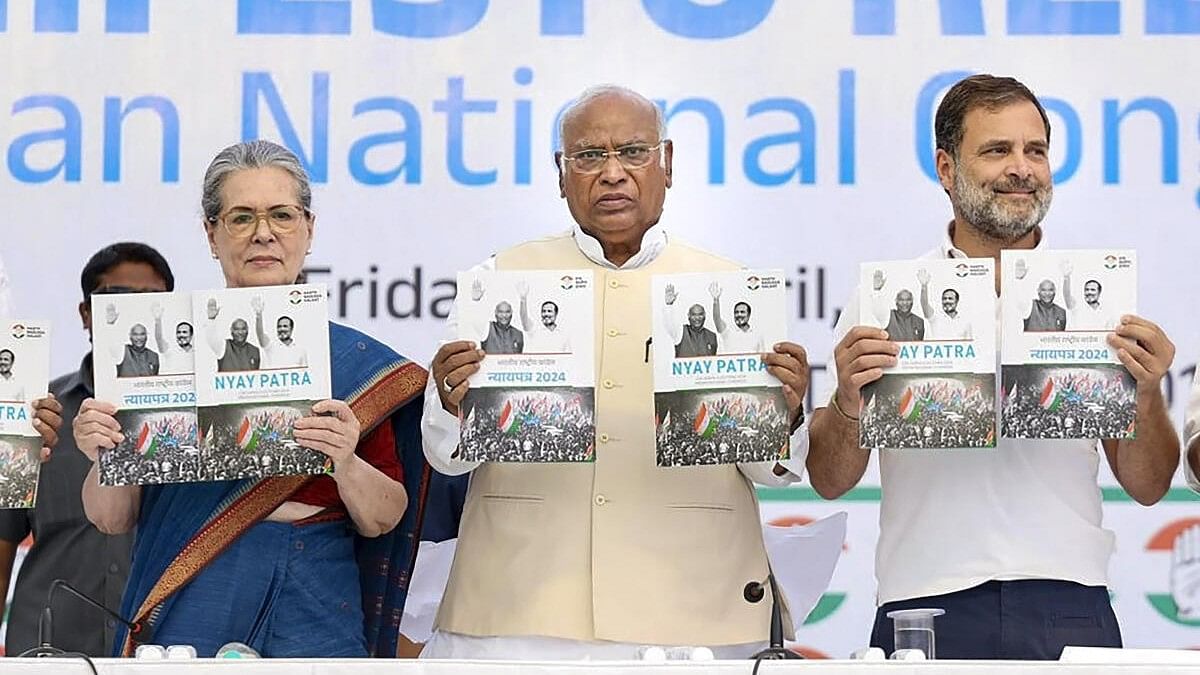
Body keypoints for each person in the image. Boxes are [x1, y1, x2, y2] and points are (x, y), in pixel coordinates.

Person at [422, 85, 811, 660]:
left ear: (667, 164)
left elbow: (774, 470)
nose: (611, 174)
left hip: (696, 612)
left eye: (632, 152)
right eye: (588, 156)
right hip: (519, 612)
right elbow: (446, 456)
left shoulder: (729, 289)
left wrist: (787, 412)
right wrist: (451, 403)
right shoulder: (497, 280)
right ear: (561, 173)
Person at [805, 74, 1178, 660]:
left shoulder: (1098, 298)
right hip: (924, 601)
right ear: (946, 169)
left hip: (1069, 597)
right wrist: (849, 404)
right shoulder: (880, 299)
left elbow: (1150, 486)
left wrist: (1147, 393)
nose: (1021, 168)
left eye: (1035, 150)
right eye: (997, 150)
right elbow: (829, 480)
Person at [73, 141, 430, 658]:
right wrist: (104, 455)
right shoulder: (165, 350)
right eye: (241, 218)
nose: (264, 233)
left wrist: (345, 461)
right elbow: (111, 517)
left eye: (281, 215)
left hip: (313, 597)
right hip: (192, 586)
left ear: (309, 228)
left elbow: (383, 518)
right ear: (211, 234)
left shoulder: (355, 363)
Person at [0, 242, 170, 656]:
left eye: (152, 303)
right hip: (46, 650)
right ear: (86, 315)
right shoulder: (38, 414)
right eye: (118, 302)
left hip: (163, 653)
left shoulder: (194, 424)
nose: (134, 316)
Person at [867, 270, 924, 342]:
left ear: (912, 301)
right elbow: (878, 310)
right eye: (901, 300)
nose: (904, 303)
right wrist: (877, 290)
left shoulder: (920, 321)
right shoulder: (888, 315)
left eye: (908, 300)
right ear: (896, 302)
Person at [252, 295, 308, 367]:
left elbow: (305, 373)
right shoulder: (271, 346)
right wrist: (259, 315)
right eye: (279, 326)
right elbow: (260, 334)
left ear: (291, 329)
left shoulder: (301, 350)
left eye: (285, 326)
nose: (281, 329)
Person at [203, 302, 261, 372]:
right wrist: (211, 319)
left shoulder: (255, 350)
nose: (240, 332)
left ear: (247, 330)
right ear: (231, 331)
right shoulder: (223, 346)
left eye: (243, 329)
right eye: (237, 329)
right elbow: (211, 338)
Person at [663, 283, 718, 357]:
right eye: (694, 315)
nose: (697, 318)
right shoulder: (680, 332)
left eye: (700, 314)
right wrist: (669, 305)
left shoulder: (712, 336)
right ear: (688, 316)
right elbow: (669, 324)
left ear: (704, 316)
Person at [917, 268, 973, 340]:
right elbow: (924, 304)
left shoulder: (965, 321)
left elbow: (969, 344)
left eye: (950, 298)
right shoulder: (935, 317)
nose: (947, 301)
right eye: (944, 298)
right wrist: (924, 286)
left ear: (956, 301)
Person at [710, 282, 765, 354]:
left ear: (748, 315)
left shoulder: (757, 335)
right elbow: (716, 318)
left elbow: (761, 356)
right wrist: (716, 300)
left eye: (742, 312)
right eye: (736, 312)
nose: (739, 314)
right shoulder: (727, 331)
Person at [517, 281, 570, 353]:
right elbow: (524, 318)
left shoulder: (563, 334)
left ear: (556, 314)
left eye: (549, 311)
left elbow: (567, 357)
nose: (546, 314)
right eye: (543, 311)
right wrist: (523, 299)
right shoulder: (534, 329)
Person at [1063, 262, 1118, 330]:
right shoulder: (1077, 306)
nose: (1089, 292)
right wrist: (1066, 277)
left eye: (1092, 290)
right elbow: (1067, 295)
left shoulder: (1107, 312)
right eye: (1087, 289)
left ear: (1099, 292)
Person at [153, 301, 194, 376]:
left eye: (184, 332)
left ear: (191, 335)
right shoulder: (170, 350)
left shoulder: (197, 352)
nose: (181, 335)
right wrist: (158, 320)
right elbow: (159, 338)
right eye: (178, 332)